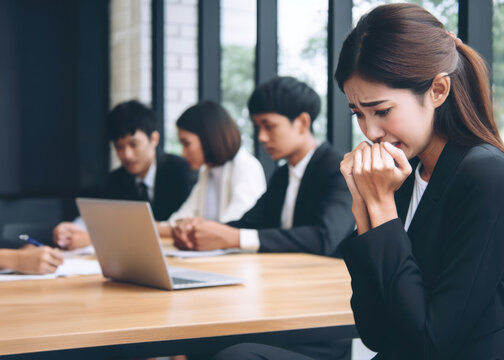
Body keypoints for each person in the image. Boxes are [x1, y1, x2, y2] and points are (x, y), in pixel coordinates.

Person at [214, 3, 504, 360]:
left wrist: (381, 207)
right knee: (240, 354)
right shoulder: (406, 172)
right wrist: (362, 204)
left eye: (382, 111)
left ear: (438, 91)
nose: (371, 132)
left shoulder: (486, 175)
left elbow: (431, 344)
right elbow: (374, 332)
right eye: (359, 114)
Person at [172, 77, 355, 259]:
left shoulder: (339, 169)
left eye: (269, 126)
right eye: (258, 127)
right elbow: (249, 224)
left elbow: (325, 238)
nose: (262, 137)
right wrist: (197, 231)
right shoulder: (282, 175)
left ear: (302, 123)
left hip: (330, 281)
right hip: (288, 278)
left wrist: (235, 238)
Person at [53, 100, 197, 250]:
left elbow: (185, 224)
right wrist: (72, 230)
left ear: (154, 139)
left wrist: (98, 237)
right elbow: (100, 215)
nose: (127, 155)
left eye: (134, 144)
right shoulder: (116, 179)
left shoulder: (181, 171)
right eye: (119, 147)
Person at [156, 101, 266, 237]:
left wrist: (184, 227)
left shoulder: (247, 166)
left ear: (208, 137)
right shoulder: (207, 171)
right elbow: (182, 217)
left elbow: (235, 224)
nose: (183, 153)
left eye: (186, 143)